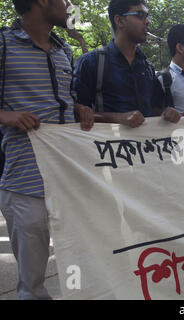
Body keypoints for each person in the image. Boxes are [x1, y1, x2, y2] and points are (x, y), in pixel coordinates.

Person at [0, 0, 94, 299]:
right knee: (33, 283)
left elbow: (66, 100)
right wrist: (6, 116)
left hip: (69, 180)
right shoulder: (3, 44)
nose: (70, 6)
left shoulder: (64, 50)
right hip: (25, 182)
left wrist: (79, 108)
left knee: (84, 266)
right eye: (65, 0)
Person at [74, 0, 180, 126]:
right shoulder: (92, 62)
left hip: (144, 144)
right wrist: (117, 118)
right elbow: (76, 112)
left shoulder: (147, 67)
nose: (147, 21)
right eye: (140, 15)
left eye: (147, 16)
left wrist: (168, 113)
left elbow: (154, 108)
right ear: (119, 21)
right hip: (106, 144)